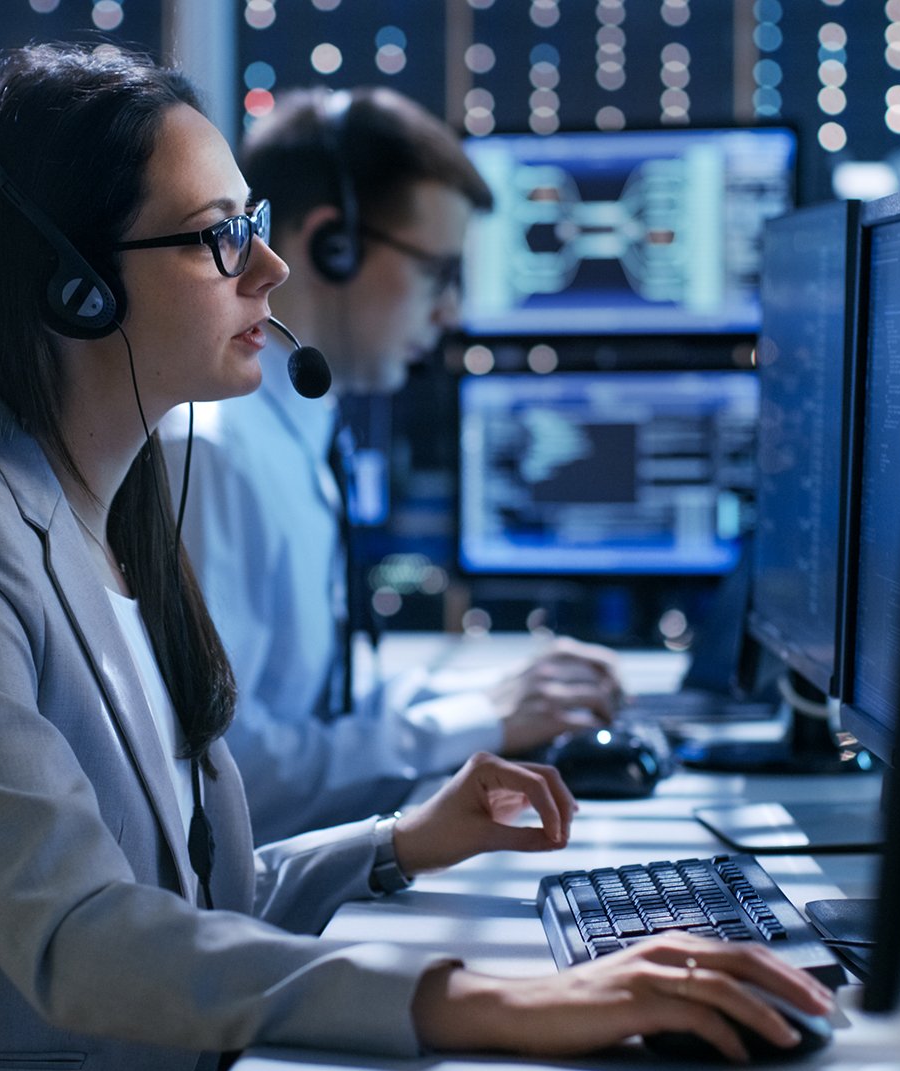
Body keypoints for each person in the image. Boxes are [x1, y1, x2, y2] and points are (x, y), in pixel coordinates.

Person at [0, 44, 833, 1071]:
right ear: (77, 285)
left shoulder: (116, 514)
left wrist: (398, 842)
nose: (268, 267)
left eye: (254, 225)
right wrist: (495, 1001)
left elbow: (189, 897)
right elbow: (81, 933)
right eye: (219, 235)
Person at [168, 86, 625, 844]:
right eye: (438, 273)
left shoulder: (299, 433)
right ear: (331, 246)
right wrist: (483, 719)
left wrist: (494, 698)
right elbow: (230, 777)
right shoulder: (212, 456)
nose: (451, 313)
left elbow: (321, 703)